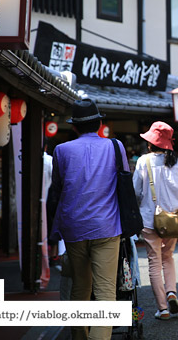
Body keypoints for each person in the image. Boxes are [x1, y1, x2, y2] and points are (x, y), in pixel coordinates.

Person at [49, 99, 129, 340]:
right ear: (100, 124)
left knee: (80, 287)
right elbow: (124, 183)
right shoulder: (115, 147)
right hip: (106, 226)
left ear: (74, 127)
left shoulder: (61, 150)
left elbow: (58, 189)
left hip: (73, 228)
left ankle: (79, 337)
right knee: (106, 293)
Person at [133, 121, 178, 321]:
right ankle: (171, 293)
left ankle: (163, 309)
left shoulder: (144, 161)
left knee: (154, 262)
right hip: (173, 219)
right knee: (168, 257)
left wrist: (133, 212)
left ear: (151, 143)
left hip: (150, 219)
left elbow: (136, 191)